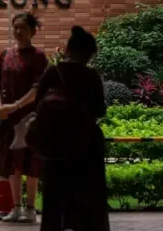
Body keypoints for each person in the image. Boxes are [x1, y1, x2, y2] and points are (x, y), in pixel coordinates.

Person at [35, 26, 110, 231]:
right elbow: (99, 109)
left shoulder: (53, 72)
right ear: (89, 53)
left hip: (53, 147)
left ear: (67, 49)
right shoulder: (90, 76)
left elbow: (38, 104)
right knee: (85, 203)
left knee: (52, 203)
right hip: (84, 148)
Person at [0, 12, 48, 223]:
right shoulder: (5, 54)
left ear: (33, 31)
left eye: (23, 28)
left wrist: (15, 106)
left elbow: (38, 87)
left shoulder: (39, 56)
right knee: (12, 164)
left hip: (30, 119)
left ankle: (31, 209)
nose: (18, 32)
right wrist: (0, 107)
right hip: (8, 119)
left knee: (30, 163)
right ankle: (16, 208)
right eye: (15, 27)